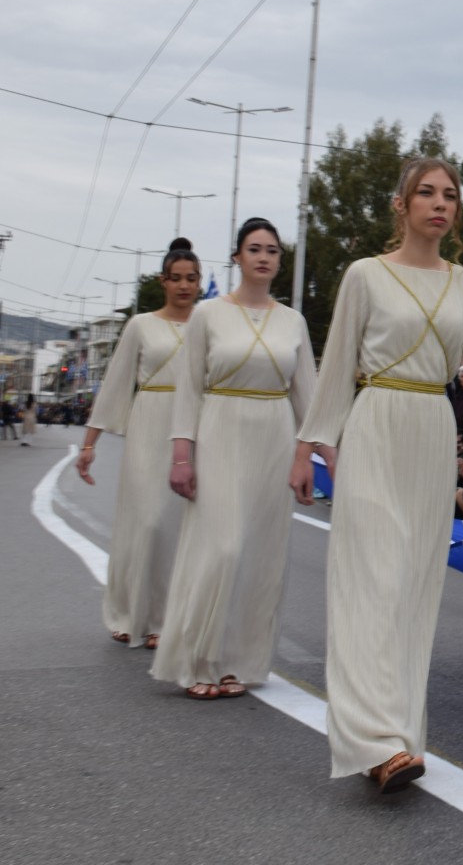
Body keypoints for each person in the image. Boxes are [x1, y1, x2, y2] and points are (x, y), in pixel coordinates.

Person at [290, 157, 463, 793]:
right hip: (374, 425)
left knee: (413, 588)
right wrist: (308, 446)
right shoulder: (365, 276)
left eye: (449, 195)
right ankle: (373, 740)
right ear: (401, 204)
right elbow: (336, 368)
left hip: (430, 431)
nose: (439, 204)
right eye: (427, 193)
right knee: (373, 581)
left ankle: (397, 738)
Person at [153, 219, 320, 701]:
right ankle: (201, 658)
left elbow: (307, 396)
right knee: (221, 546)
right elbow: (189, 388)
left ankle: (239, 662)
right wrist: (181, 453)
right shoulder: (207, 314)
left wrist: (310, 457)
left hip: (274, 435)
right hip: (220, 429)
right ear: (237, 257)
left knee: (260, 556)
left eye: (272, 250)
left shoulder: (294, 322)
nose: (263, 257)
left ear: (279, 261)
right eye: (254, 248)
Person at [76, 238, 201, 649]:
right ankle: (130, 611)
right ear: (163, 281)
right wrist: (89, 445)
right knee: (145, 521)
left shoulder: (210, 322)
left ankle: (167, 619)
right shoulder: (141, 325)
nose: (184, 286)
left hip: (194, 426)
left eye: (192, 278)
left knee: (179, 527)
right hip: (149, 423)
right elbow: (114, 385)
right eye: (176, 278)